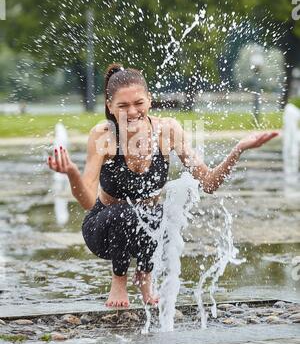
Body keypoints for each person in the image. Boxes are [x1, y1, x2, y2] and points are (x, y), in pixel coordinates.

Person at [47, 63, 278, 307]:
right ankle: (119, 280)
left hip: (146, 232)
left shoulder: (168, 130)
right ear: (110, 106)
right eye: (122, 106)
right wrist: (71, 173)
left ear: (149, 100)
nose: (132, 112)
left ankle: (144, 276)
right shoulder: (103, 135)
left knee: (165, 212)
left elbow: (208, 184)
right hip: (103, 230)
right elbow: (87, 201)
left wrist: (238, 149)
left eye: (138, 103)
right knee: (124, 211)